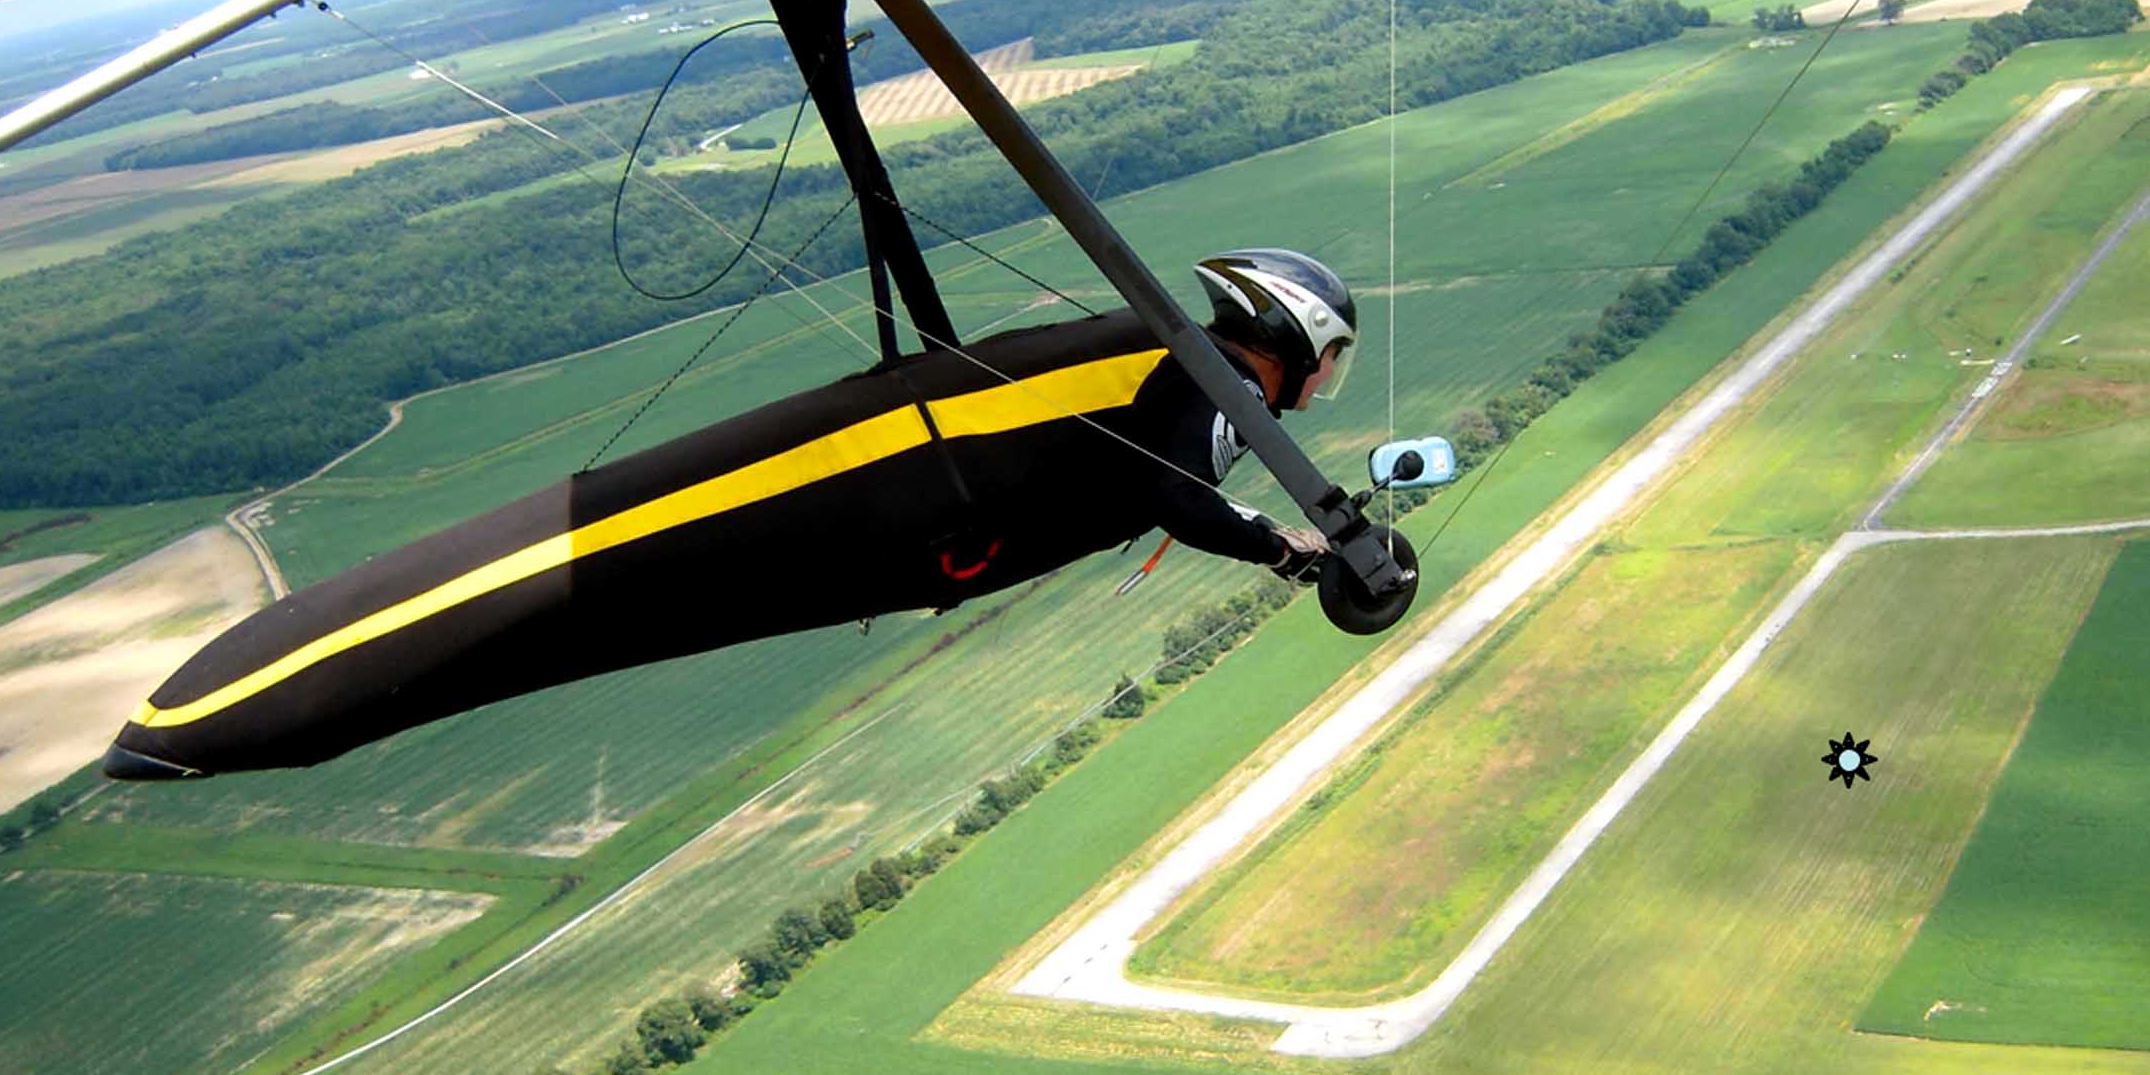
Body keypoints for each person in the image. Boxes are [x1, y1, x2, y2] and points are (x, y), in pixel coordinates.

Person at [102, 248, 1359, 780]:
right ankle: (229, 710)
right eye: (1328, 360)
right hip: (876, 493)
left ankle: (215, 718)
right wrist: (1283, 547)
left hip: (889, 484)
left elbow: (1143, 477)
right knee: (586, 570)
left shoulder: (1157, 354)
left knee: (604, 599)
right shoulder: (1204, 382)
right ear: (1294, 340)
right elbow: (1171, 491)